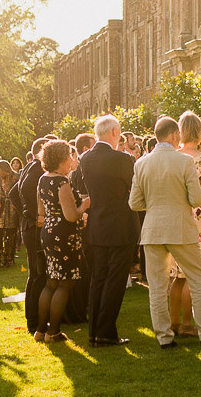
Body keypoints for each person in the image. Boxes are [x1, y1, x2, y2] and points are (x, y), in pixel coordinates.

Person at [129, 116, 201, 349]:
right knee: (197, 279)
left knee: (157, 285)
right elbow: (195, 198)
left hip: (152, 229)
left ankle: (164, 337)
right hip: (180, 228)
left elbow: (134, 203)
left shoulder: (141, 163)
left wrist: (155, 206)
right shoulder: (183, 161)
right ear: (175, 135)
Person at [79, 114, 138, 347]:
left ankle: (94, 331)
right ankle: (105, 332)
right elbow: (134, 188)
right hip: (121, 226)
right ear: (114, 132)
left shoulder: (85, 159)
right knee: (114, 279)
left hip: (98, 224)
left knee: (98, 278)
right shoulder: (122, 159)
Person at [167, 111, 201, 339]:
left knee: (177, 276)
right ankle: (188, 324)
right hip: (199, 217)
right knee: (194, 273)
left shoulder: (173, 157)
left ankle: (173, 323)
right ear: (199, 132)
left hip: (178, 216)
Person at [34, 139, 90, 342]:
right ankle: (53, 331)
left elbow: (40, 211)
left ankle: (40, 330)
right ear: (61, 158)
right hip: (64, 235)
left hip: (48, 231)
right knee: (65, 284)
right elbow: (71, 215)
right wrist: (84, 205)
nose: (71, 159)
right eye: (69, 156)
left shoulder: (43, 179)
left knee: (51, 282)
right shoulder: (61, 182)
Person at [15, 136, 51, 335]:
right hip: (34, 227)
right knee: (38, 274)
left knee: (36, 274)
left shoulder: (30, 166)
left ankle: (35, 319)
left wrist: (27, 214)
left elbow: (14, 193)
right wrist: (35, 214)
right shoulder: (37, 167)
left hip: (30, 225)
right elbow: (25, 189)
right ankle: (35, 321)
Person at [0, 160, 20, 268]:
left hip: (11, 208)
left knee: (11, 233)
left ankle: (10, 258)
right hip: (0, 207)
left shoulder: (15, 177)